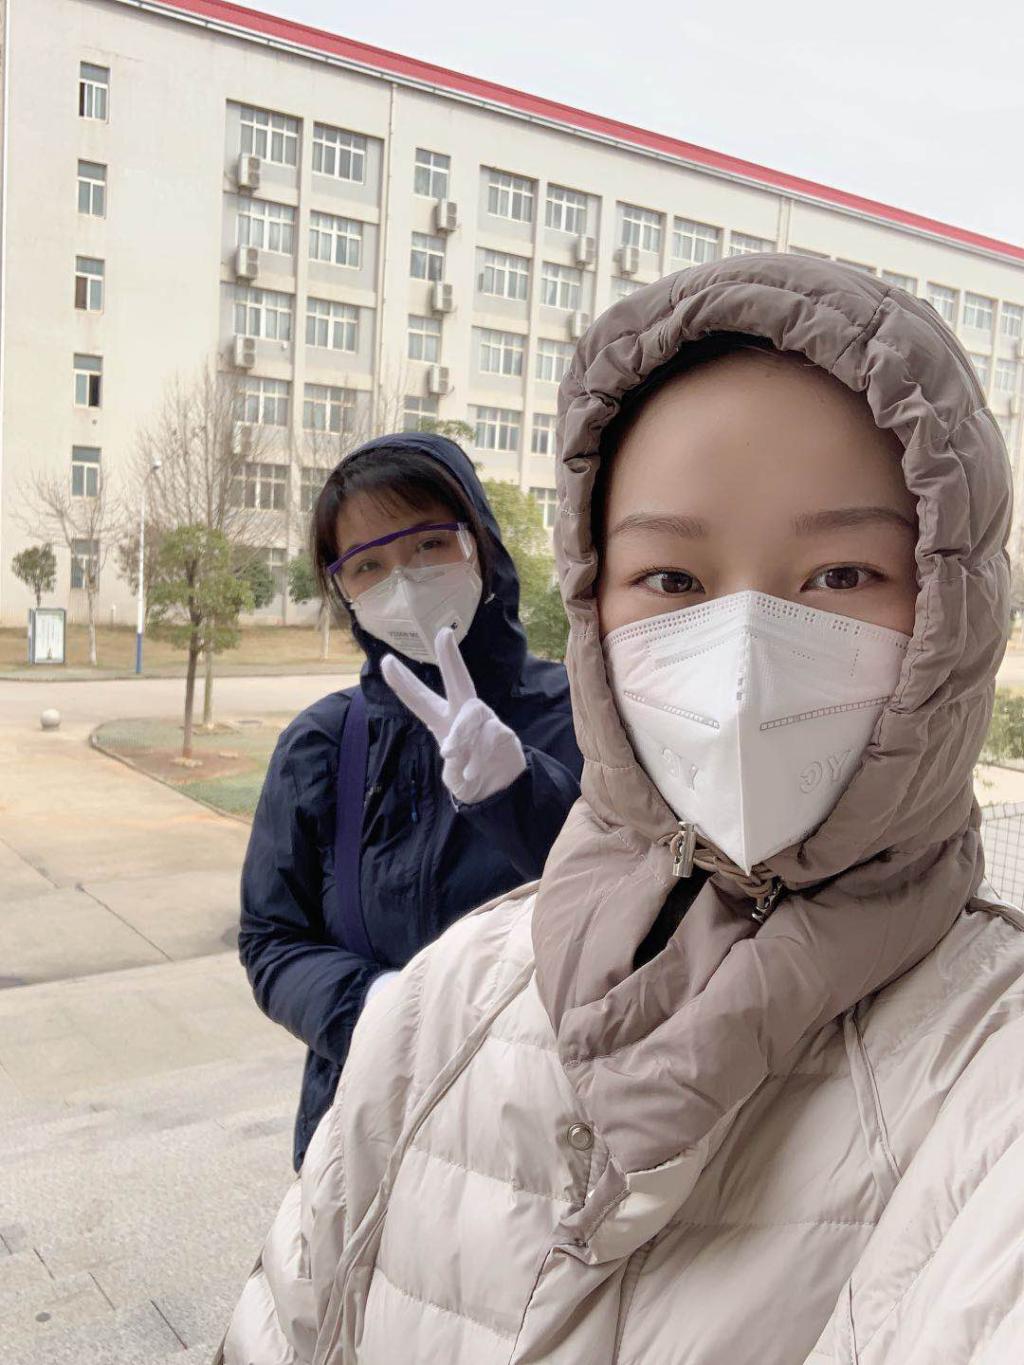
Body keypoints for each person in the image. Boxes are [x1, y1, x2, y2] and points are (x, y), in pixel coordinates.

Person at [220, 257, 1024, 1364]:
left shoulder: (984, 1080)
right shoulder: (415, 936)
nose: (741, 668)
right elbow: (274, 938)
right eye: (674, 582)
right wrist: (389, 1024)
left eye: (841, 575)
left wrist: (511, 788)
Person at [238, 432, 582, 1170]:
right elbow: (270, 937)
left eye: (429, 545)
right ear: (344, 591)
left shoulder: (588, 716)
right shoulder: (324, 745)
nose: (404, 582)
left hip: (536, 1146)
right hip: (367, 1145)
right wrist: (379, 1008)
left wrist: (519, 794)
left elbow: (637, 907)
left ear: (480, 543)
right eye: (367, 565)